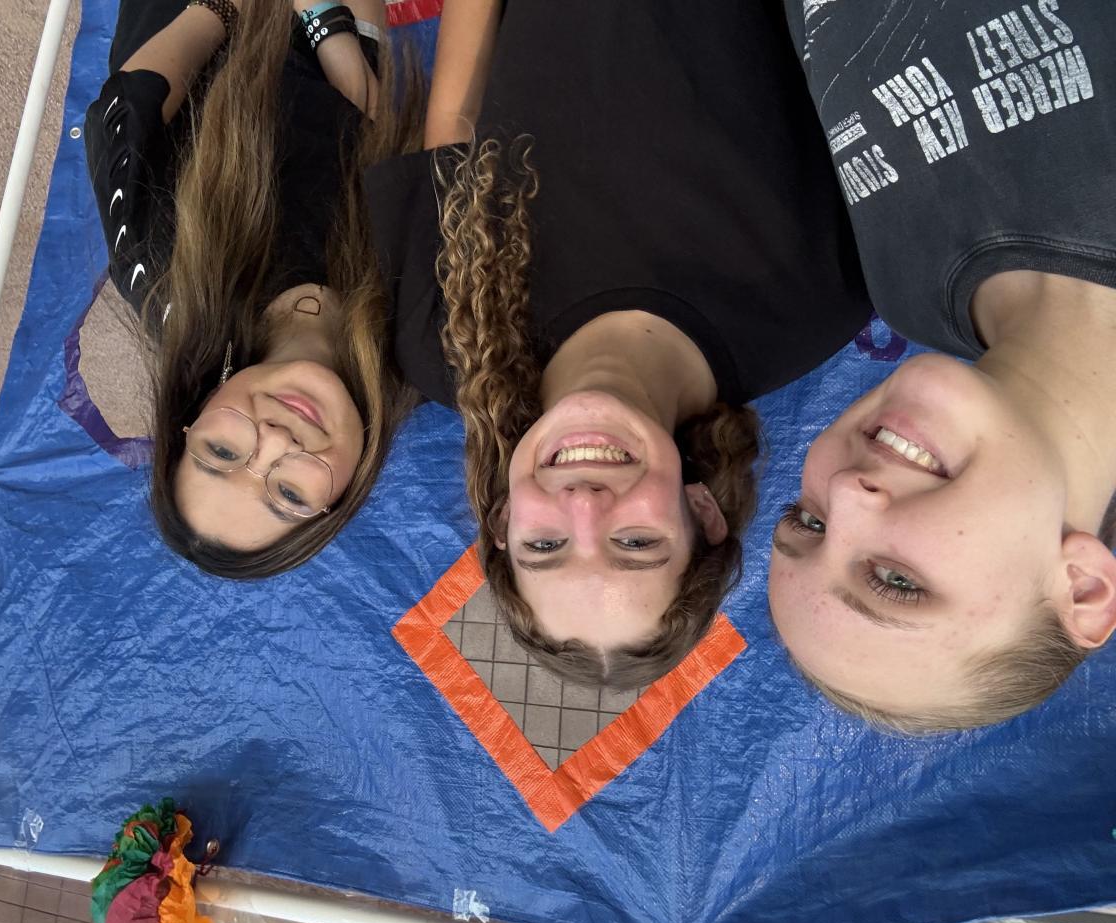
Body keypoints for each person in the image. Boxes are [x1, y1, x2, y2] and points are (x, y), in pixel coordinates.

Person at [367, 0, 872, 686]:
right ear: (702, 513)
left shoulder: (444, 343)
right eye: (635, 543)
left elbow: (456, 113)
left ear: (504, 519)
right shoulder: (818, 299)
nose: (584, 503)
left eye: (545, 544)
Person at [768, 0, 1116, 732]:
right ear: (1082, 587)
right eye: (897, 582)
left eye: (809, 521)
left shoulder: (906, 293)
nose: (847, 494)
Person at [84, 0, 420, 577]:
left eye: (221, 452)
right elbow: (401, 163)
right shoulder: (423, 339)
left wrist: (226, 9)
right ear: (339, 500)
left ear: (192, 420)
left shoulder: (166, 284)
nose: (274, 441)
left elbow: (125, 113)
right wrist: (330, 31)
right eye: (288, 493)